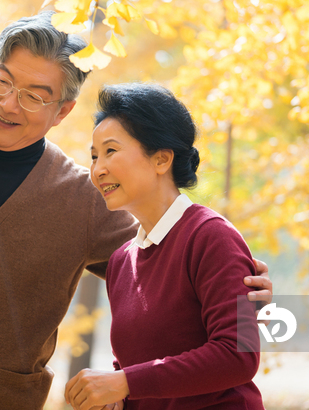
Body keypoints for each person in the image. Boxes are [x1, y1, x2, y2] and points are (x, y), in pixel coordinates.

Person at [0, 12, 272, 409]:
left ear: (63, 111)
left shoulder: (86, 199)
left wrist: (243, 288)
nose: (9, 103)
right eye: (2, 81)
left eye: (35, 96)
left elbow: (171, 265)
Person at [65, 84, 265, 410]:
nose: (97, 169)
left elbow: (239, 353)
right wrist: (113, 395)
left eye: (111, 151)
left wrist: (124, 383)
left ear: (161, 159)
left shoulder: (213, 237)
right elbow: (137, 372)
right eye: (94, 156)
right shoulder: (120, 263)